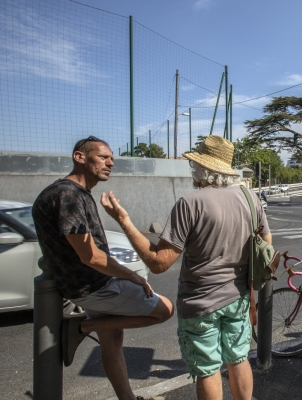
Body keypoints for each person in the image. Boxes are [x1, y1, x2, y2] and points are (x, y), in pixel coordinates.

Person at [100, 135, 270, 400]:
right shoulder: (251, 199)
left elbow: (159, 263)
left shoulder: (190, 204)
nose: (193, 173)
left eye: (195, 167)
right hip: (239, 300)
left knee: (208, 369)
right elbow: (265, 245)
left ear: (203, 169)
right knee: (238, 359)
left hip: (200, 303)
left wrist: (124, 221)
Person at [32, 136, 173, 400]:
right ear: (79, 157)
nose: (110, 163)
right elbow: (91, 257)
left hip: (86, 285)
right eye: (102, 157)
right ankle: (83, 327)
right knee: (165, 310)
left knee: (112, 341)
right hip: (94, 285)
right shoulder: (68, 195)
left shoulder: (76, 193)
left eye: (112, 159)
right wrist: (132, 275)